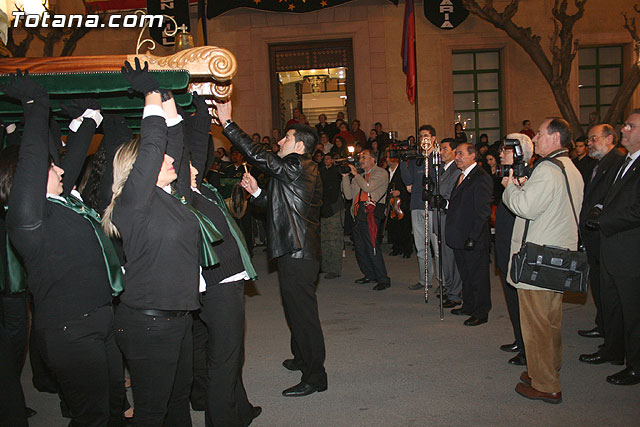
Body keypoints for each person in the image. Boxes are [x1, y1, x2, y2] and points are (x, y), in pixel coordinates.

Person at [3, 71, 126, 425]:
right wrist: (34, 106)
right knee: (92, 415)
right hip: (71, 331)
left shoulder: (62, 202)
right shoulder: (27, 218)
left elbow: (68, 160)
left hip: (102, 318)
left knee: (114, 405)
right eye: (49, 166)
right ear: (24, 180)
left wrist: (90, 119)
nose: (60, 167)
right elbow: (32, 159)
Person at [102, 60, 203, 424]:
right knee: (151, 411)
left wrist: (167, 96)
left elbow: (173, 140)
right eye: (158, 160)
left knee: (178, 402)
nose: (169, 160)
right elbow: (156, 142)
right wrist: (149, 95)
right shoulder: (134, 203)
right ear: (137, 172)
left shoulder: (171, 195)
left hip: (179, 319)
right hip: (148, 324)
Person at [216, 100, 328, 397]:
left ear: (300, 147)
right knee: (294, 309)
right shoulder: (296, 170)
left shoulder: (297, 165)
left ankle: (316, 376)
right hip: (296, 250)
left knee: (303, 315)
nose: (280, 141)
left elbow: (260, 156)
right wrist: (255, 193)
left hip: (299, 253)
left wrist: (228, 124)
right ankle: (303, 358)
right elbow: (275, 206)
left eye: (287, 138)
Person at [181, 95, 262, 425]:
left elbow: (200, 147)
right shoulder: (181, 196)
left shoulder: (199, 189)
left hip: (222, 286)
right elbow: (196, 148)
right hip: (218, 288)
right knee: (224, 360)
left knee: (227, 355)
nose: (195, 165)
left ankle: (238, 409)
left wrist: (202, 110)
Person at [502, 117, 583, 404]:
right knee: (550, 321)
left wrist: (510, 187)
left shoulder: (548, 169)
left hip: (539, 259)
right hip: (557, 256)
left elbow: (525, 207)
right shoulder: (569, 167)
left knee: (535, 324)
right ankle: (546, 369)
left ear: (555, 138)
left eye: (539, 133)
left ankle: (545, 383)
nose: (534, 139)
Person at [582, 111, 640, 386]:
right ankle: (614, 351)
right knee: (613, 303)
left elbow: (637, 210)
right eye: (624, 124)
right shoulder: (624, 162)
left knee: (633, 311)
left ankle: (636, 365)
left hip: (630, 250)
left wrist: (604, 219)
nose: (624, 129)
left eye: (631, 125)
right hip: (611, 247)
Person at [575, 124, 624, 342]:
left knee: (608, 289)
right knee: (598, 284)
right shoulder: (599, 163)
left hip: (605, 235)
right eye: (589, 139)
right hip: (593, 235)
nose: (589, 143)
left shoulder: (617, 162)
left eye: (594, 139)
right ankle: (602, 324)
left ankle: (610, 333)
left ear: (609, 138)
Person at [495, 133, 534, 367]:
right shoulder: (506, 175)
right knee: (511, 298)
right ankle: (519, 339)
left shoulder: (529, 176)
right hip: (504, 244)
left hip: (519, 247)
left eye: (505, 150)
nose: (500, 153)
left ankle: (529, 349)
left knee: (523, 302)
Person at [445, 142, 493, 326]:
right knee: (466, 274)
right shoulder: (462, 175)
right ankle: (469, 305)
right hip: (460, 235)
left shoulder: (481, 178)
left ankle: (481, 312)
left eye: (460, 154)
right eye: (456, 153)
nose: (456, 157)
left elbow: (482, 212)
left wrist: (473, 237)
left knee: (478, 276)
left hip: (474, 238)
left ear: (473, 156)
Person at [342, 148, 390, 290]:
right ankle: (369, 274)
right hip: (357, 215)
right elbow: (349, 195)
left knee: (372, 247)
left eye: (364, 157)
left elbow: (368, 187)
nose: (361, 160)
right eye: (360, 157)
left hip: (371, 215)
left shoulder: (381, 173)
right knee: (360, 248)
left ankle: (383, 278)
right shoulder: (360, 175)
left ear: (373, 159)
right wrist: (345, 177)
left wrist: (356, 175)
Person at [400, 125, 437, 291]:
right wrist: (402, 161)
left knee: (437, 247)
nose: (424, 139)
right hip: (417, 205)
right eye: (421, 136)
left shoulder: (439, 157)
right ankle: (425, 280)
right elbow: (408, 184)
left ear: (433, 138)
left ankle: (443, 282)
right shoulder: (416, 159)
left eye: (427, 136)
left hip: (434, 207)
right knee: (421, 247)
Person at [428, 138, 463, 308]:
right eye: (440, 149)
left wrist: (439, 197)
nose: (441, 152)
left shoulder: (457, 170)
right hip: (438, 216)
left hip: (448, 217)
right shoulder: (440, 169)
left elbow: (449, 193)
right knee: (443, 256)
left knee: (451, 258)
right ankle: (449, 288)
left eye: (444, 149)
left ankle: (455, 293)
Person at [320, 153, 344, 279]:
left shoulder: (336, 172)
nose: (326, 160)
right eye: (325, 159)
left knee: (335, 239)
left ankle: (335, 269)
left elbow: (335, 191)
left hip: (334, 207)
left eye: (329, 158)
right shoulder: (321, 172)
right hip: (323, 207)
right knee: (324, 240)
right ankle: (325, 266)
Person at [385, 149, 412, 259]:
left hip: (402, 203)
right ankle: (397, 247)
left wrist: (400, 192)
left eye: (388, 157)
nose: (387, 159)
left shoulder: (402, 170)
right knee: (393, 227)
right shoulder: (386, 172)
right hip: (392, 204)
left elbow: (409, 185)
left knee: (404, 227)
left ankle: (407, 249)